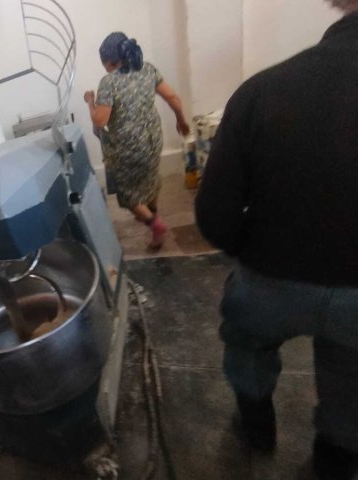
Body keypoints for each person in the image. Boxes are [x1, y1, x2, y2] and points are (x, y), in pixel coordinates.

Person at [195, 3, 358, 479]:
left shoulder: (261, 91)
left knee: (246, 337)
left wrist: (256, 250)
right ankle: (338, 455)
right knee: (351, 372)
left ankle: (256, 424)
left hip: (271, 282)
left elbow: (213, 215)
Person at [84, 32, 190, 250]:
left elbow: (100, 120)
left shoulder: (109, 82)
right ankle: (152, 212)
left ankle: (155, 225)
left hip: (128, 148)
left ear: (108, 60)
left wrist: (90, 102)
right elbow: (172, 97)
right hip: (153, 139)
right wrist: (181, 121)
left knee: (129, 196)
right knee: (149, 179)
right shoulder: (147, 69)